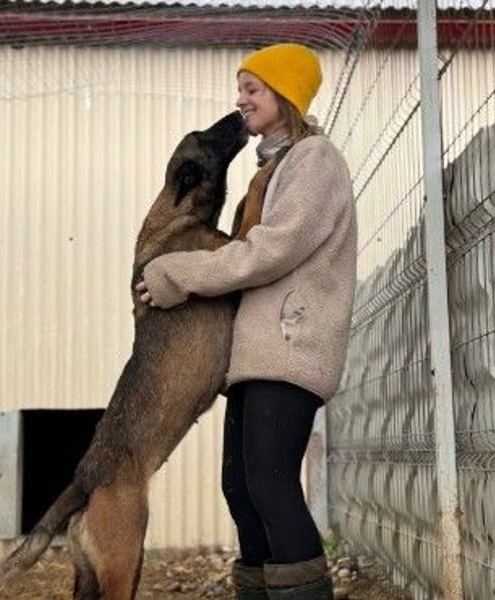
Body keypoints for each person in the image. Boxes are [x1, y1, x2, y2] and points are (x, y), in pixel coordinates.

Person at [136, 43, 357, 600]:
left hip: (290, 347)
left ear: (285, 94)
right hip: (257, 354)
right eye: (241, 88)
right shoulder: (274, 167)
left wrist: (178, 273)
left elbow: (267, 252)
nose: (240, 100)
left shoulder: (315, 161)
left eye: (252, 89)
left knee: (272, 485)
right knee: (241, 486)